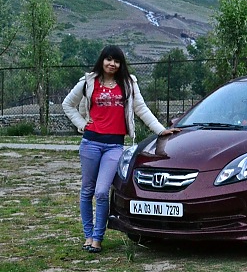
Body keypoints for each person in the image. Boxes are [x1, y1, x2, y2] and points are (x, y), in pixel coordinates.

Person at [62, 45, 180, 254]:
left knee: (101, 191)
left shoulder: (128, 83)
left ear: (120, 64)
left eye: (116, 61)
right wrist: (81, 124)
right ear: (102, 60)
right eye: (108, 59)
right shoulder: (88, 81)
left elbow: (141, 108)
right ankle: (88, 236)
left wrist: (161, 130)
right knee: (87, 190)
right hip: (90, 142)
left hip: (114, 145)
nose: (112, 64)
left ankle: (98, 237)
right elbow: (67, 104)